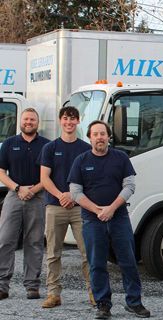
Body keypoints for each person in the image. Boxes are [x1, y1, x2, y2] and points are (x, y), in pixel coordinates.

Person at [68, 120, 150, 319]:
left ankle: (134, 302)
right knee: (97, 264)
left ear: (109, 136)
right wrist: (97, 210)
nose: (99, 137)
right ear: (89, 137)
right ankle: (103, 305)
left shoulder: (120, 158)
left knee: (128, 261)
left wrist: (111, 209)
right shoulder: (81, 160)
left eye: (103, 134)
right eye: (95, 134)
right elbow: (75, 193)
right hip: (92, 220)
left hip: (119, 218)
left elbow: (130, 186)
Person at [39, 106, 94, 308]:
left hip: (80, 207)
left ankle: (94, 292)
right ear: (60, 121)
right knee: (53, 253)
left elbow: (90, 179)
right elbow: (44, 178)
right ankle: (53, 294)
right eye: (65, 118)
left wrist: (74, 196)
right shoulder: (50, 148)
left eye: (72, 119)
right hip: (55, 206)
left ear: (78, 121)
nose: (69, 122)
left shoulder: (85, 148)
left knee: (88, 252)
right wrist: (61, 195)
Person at [0, 108, 49, 301]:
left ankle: (32, 286)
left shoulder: (46, 145)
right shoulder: (10, 144)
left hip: (38, 196)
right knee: (5, 240)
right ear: (21, 121)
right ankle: (2, 285)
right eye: (26, 119)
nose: (29, 122)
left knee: (35, 242)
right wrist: (18, 188)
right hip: (14, 195)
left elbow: (49, 174)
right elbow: (1, 171)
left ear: (38, 123)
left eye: (33, 120)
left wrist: (33, 190)